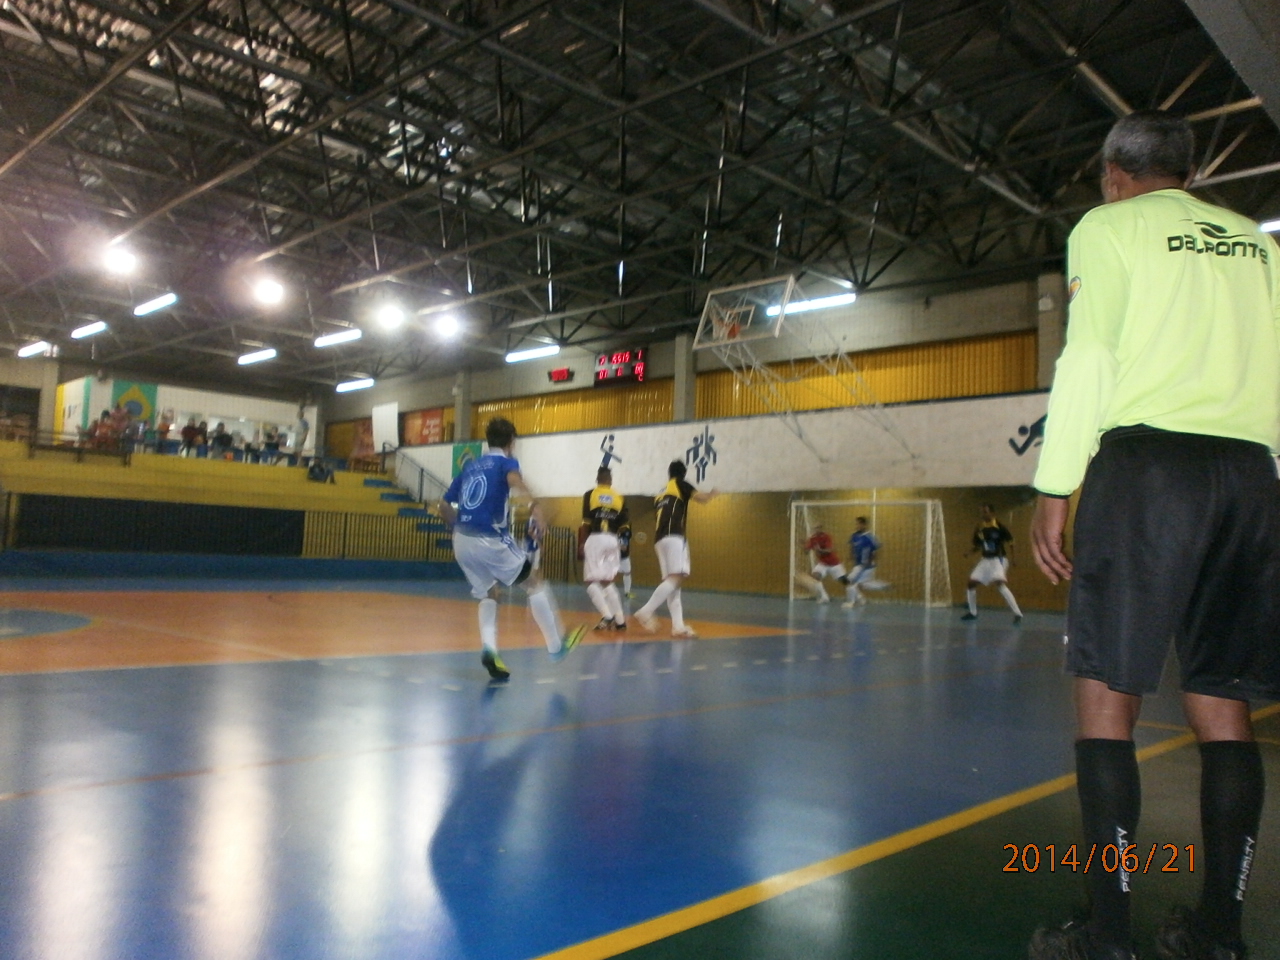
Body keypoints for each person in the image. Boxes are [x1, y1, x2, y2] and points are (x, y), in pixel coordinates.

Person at [1027, 111, 1280, 960]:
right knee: (1224, 705)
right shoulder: (1258, 245)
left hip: (1149, 472)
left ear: (1113, 174)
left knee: (1107, 703)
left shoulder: (1109, 228)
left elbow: (1089, 357)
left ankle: (1108, 937)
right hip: (1249, 475)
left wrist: (1056, 482)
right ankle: (1220, 932)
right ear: (1191, 172)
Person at [439, 417, 587, 681]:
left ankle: (489, 649)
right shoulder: (506, 462)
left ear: (488, 441)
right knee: (534, 582)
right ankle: (556, 645)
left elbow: (443, 506)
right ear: (511, 442)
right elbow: (515, 480)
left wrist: (459, 529)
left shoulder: (470, 466)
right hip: (489, 538)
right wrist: (535, 506)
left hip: (461, 539)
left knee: (490, 593)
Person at [633, 460, 717, 638]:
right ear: (683, 474)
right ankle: (646, 611)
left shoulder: (660, 493)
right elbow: (700, 498)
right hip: (674, 537)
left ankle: (678, 626)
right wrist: (711, 494)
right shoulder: (680, 484)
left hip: (659, 540)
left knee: (673, 584)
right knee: (676, 578)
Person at [580, 466, 628, 632]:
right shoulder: (619, 497)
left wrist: (582, 543)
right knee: (607, 581)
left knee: (591, 582)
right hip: (613, 540)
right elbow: (625, 526)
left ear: (597, 479)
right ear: (610, 480)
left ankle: (607, 616)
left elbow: (586, 522)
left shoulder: (590, 495)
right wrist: (623, 544)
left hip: (596, 538)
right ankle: (620, 621)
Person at [960, 504, 1022, 624]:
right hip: (986, 560)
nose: (983, 514)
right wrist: (969, 552)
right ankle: (973, 612)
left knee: (999, 584)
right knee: (971, 583)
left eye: (986, 512)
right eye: (982, 512)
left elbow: (1011, 542)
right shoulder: (979, 528)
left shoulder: (999, 527)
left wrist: (1014, 558)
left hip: (999, 559)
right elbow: (979, 545)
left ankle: (1018, 614)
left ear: (992, 513)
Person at [798, 523, 846, 602]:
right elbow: (806, 552)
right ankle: (824, 597)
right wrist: (803, 545)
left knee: (844, 581)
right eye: (815, 528)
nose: (816, 530)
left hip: (834, 563)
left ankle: (858, 596)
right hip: (823, 563)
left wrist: (820, 550)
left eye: (818, 528)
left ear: (821, 528)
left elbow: (829, 550)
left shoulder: (827, 537)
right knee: (816, 576)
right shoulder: (813, 539)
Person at [843, 516, 882, 608]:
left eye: (859, 524)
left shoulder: (869, 537)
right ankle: (861, 598)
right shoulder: (854, 536)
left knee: (850, 581)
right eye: (856, 524)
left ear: (864, 525)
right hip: (858, 565)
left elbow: (877, 549)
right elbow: (852, 547)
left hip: (865, 565)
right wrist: (850, 556)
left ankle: (851, 602)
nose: (857, 526)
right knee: (859, 584)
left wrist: (872, 560)